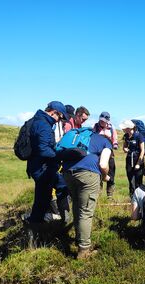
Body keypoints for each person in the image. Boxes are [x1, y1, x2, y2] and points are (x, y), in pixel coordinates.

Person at [62, 117, 112, 259]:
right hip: (88, 176)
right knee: (86, 212)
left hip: (68, 174)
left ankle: (79, 238)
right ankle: (84, 250)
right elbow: (103, 164)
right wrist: (105, 176)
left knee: (77, 205)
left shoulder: (77, 138)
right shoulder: (105, 142)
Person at [25, 101, 69, 240]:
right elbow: (43, 149)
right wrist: (59, 155)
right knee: (43, 200)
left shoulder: (37, 121)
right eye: (60, 117)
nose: (59, 121)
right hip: (42, 168)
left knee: (55, 190)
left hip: (38, 166)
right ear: (54, 112)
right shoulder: (43, 125)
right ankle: (35, 232)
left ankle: (56, 222)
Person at [93, 112, 118, 198]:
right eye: (101, 120)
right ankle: (98, 195)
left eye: (104, 121)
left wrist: (114, 144)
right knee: (98, 174)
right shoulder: (95, 127)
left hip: (109, 152)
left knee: (111, 173)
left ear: (108, 120)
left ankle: (110, 196)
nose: (102, 122)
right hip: (98, 153)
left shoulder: (111, 128)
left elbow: (114, 138)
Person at [120, 119, 145, 196]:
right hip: (129, 160)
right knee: (131, 180)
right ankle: (132, 197)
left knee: (138, 181)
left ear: (129, 128)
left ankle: (140, 198)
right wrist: (125, 149)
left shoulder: (139, 136)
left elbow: (142, 150)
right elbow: (124, 147)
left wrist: (138, 163)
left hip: (138, 160)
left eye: (124, 128)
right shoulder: (126, 136)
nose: (122, 129)